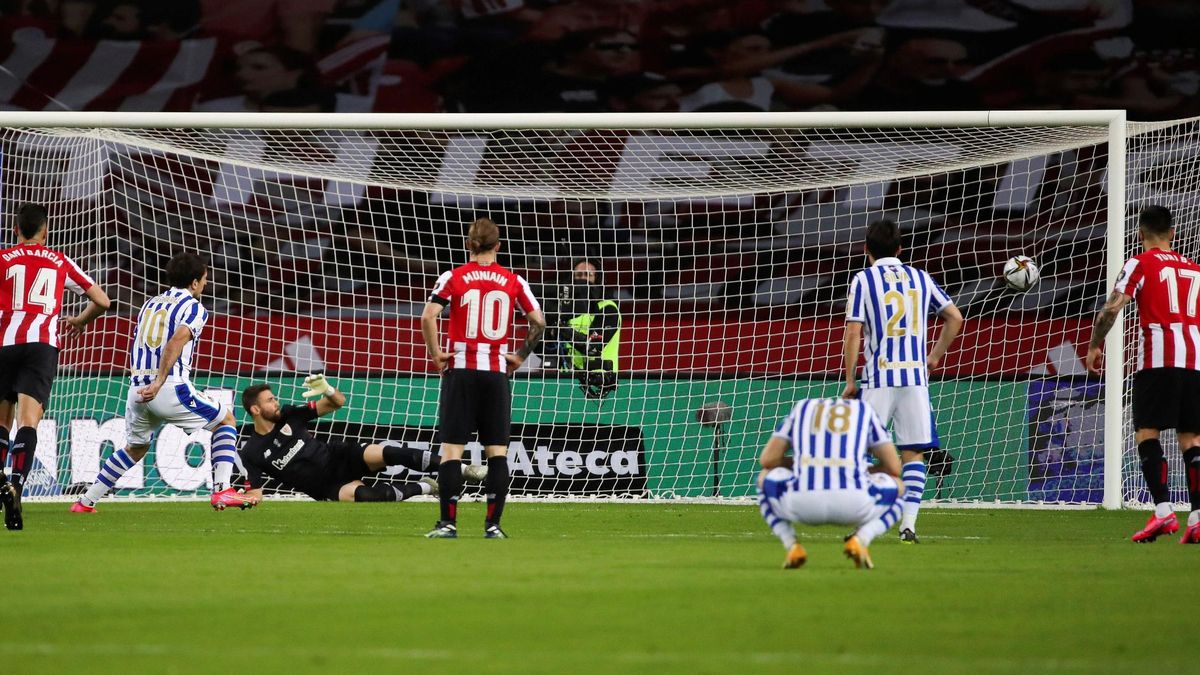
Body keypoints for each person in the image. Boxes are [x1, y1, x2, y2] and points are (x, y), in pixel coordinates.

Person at [70, 252, 252, 513]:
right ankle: (222, 489)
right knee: (226, 421)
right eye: (204, 279)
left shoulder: (150, 303)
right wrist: (159, 382)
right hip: (166, 388)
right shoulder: (193, 307)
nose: (206, 284)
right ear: (194, 283)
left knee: (135, 448)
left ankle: (85, 502)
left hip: (136, 389)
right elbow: (176, 340)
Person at [421, 217, 546, 538]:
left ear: (469, 245)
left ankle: (448, 524)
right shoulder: (513, 280)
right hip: (494, 374)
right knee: (497, 453)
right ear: (498, 246)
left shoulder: (454, 276)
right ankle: (493, 526)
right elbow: (539, 322)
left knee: (451, 451)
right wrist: (519, 356)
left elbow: (428, 316)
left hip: (461, 370)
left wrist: (437, 354)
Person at [842, 219, 963, 544]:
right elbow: (955, 317)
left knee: (864, 453)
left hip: (879, 377)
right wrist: (935, 355)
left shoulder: (863, 280)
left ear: (866, 249)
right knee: (913, 453)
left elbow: (854, 331)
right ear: (900, 249)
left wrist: (851, 377)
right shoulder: (921, 278)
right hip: (914, 378)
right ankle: (908, 526)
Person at [1086, 205, 1200, 544]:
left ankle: (1163, 513)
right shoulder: (1195, 269)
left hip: (1158, 359)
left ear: (1140, 233)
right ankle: (1196, 517)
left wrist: (1094, 344)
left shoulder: (1139, 262)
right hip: (1195, 360)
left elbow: (1113, 306)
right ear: (1173, 234)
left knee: (1147, 433)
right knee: (1192, 440)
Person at [0, 203, 110, 530]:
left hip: (4, 341)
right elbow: (103, 301)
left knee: (3, 422)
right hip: (42, 345)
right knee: (28, 422)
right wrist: (80, 320)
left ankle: (0, 481)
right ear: (45, 231)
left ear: (16, 230)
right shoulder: (59, 260)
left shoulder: (3, 258)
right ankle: (16, 486)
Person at [238, 379, 487, 502]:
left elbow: (337, 403)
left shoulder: (291, 415)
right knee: (375, 498)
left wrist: (327, 389)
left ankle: (465, 469)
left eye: (274, 397)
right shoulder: (252, 451)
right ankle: (428, 486)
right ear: (256, 410)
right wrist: (232, 500)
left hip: (339, 457)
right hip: (324, 487)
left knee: (392, 453)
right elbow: (256, 495)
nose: (276, 402)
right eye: (270, 400)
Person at [757, 397, 905, 570]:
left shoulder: (802, 407)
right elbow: (894, 467)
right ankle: (861, 539)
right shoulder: (865, 410)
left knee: (764, 477)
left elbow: (767, 459)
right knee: (900, 487)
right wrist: (858, 468)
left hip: (803, 504)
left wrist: (803, 464)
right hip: (854, 504)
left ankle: (792, 545)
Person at [558, 258, 620, 399]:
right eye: (579, 275)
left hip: (602, 385)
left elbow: (593, 346)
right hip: (566, 383)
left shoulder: (608, 308)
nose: (583, 280)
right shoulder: (564, 311)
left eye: (588, 275)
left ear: (597, 280)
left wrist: (564, 331)